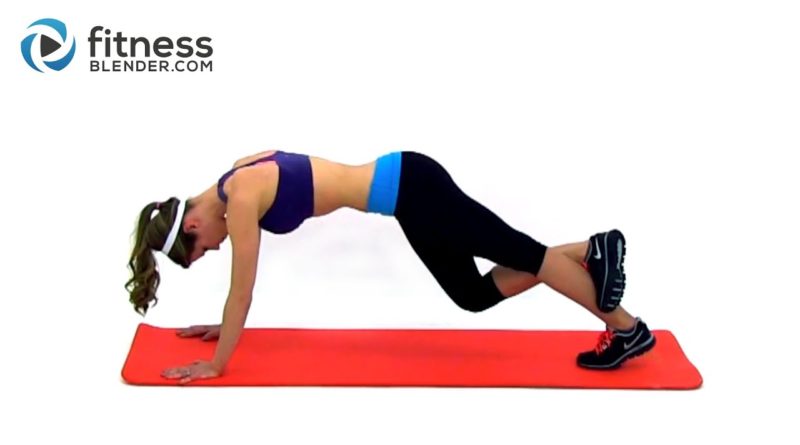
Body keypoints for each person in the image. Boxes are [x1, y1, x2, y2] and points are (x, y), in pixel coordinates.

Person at [126, 149, 656, 383]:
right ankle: (589, 250)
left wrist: (218, 363)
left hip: (413, 187)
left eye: (202, 249)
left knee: (524, 253)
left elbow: (241, 291)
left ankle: (626, 328)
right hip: (406, 198)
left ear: (191, 225)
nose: (214, 250)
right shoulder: (239, 170)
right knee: (472, 294)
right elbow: (236, 295)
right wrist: (224, 330)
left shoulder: (241, 196)